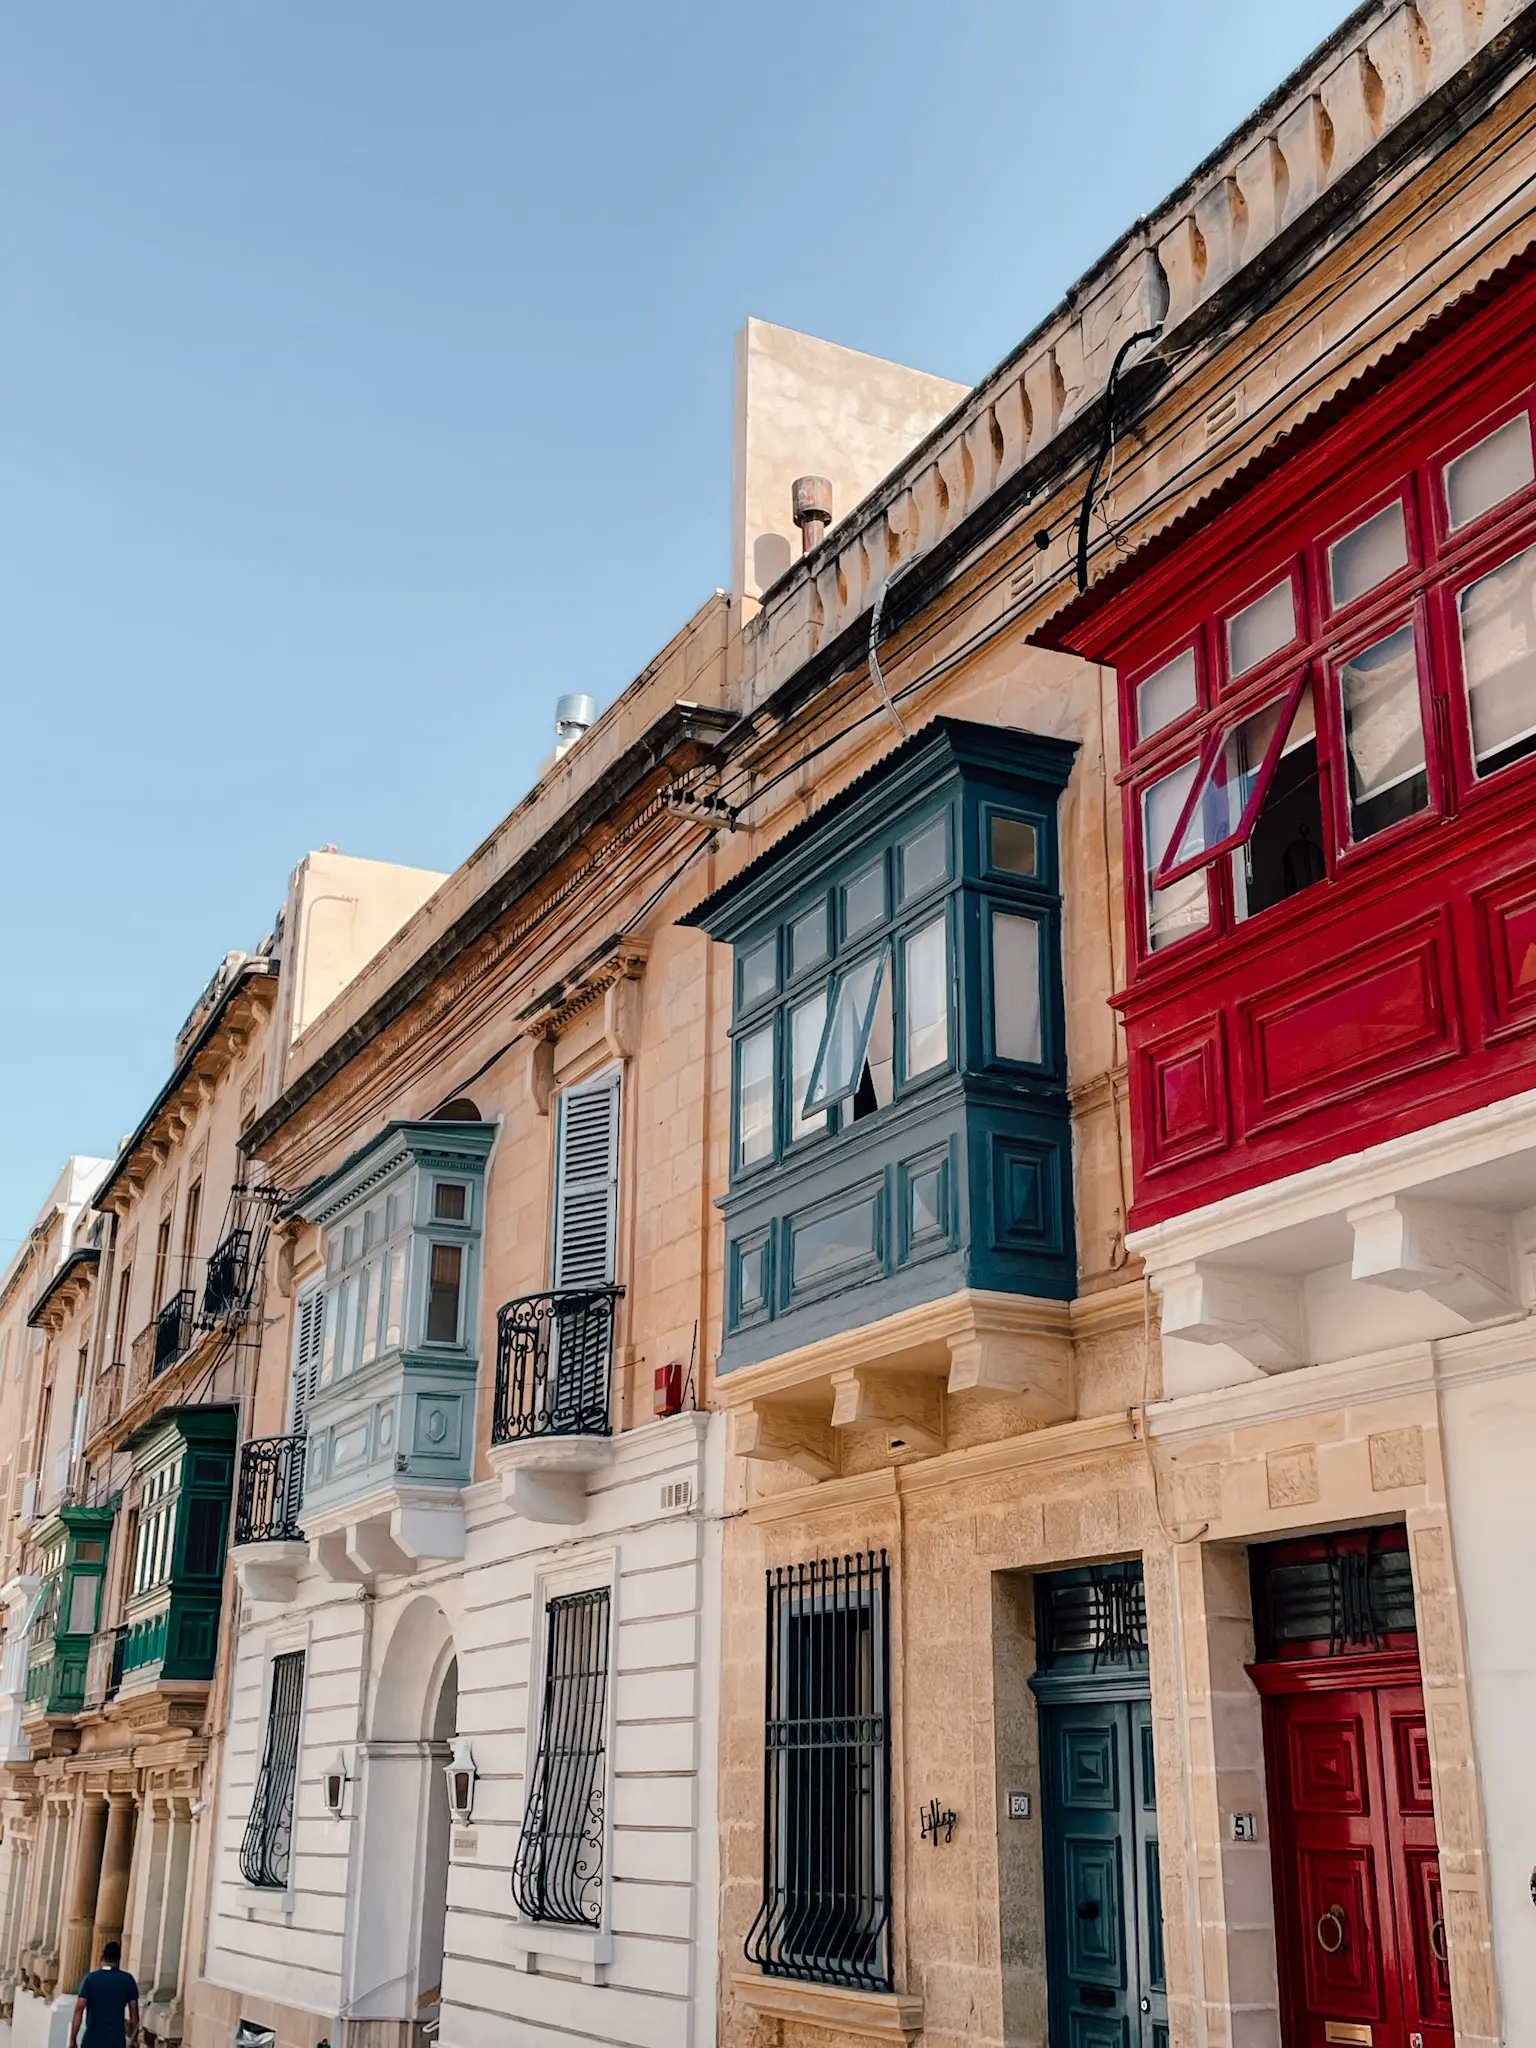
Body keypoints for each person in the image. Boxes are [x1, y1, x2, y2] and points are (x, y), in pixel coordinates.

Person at [69, 1940, 139, 2048]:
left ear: (102, 1956)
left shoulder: (90, 1979)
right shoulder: (127, 1980)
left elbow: (79, 2010)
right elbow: (134, 2017)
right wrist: (132, 2041)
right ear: (119, 1958)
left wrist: (72, 2040)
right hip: (116, 2040)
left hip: (92, 2039)